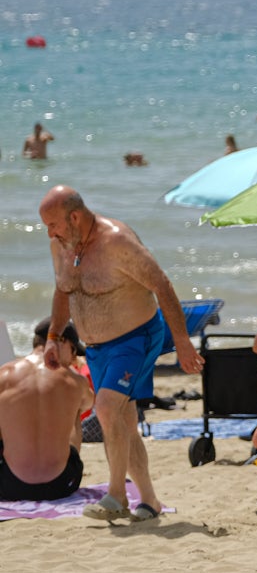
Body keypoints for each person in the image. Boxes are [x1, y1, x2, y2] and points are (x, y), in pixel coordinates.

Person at [39, 186, 203, 522]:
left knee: (106, 408)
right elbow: (63, 289)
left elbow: (162, 284)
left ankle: (116, 496)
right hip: (97, 348)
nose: (49, 233)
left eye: (53, 224)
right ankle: (150, 500)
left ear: (74, 217)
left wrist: (182, 341)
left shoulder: (117, 242)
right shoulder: (62, 245)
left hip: (136, 338)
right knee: (123, 422)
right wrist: (54, 336)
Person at [0, 323, 93, 500]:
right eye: (73, 350)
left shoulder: (4, 374)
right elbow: (88, 404)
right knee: (75, 409)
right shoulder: (75, 380)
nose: (74, 358)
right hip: (61, 485)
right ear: (61, 342)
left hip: (9, 486)